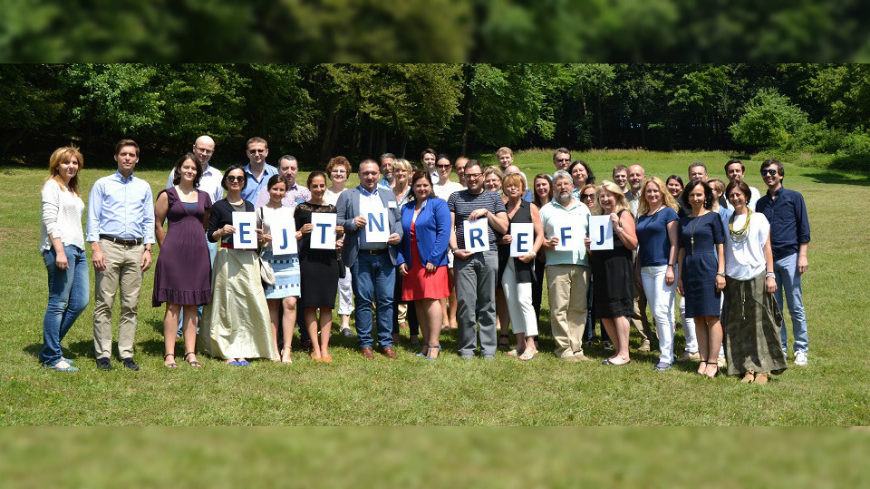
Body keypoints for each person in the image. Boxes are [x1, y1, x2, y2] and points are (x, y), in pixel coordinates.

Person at [86, 139, 155, 371]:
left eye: (132, 155)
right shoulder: (102, 184)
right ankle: (103, 354)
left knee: (131, 305)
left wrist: (148, 249)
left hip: (136, 249)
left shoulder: (144, 187)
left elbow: (148, 220)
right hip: (109, 247)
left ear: (137, 158)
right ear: (116, 157)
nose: (128, 158)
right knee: (104, 302)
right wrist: (96, 248)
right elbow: (93, 218)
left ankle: (126, 353)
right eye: (123, 154)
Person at [200, 166, 276, 366]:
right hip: (227, 257)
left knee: (248, 302)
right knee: (226, 302)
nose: (235, 181)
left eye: (240, 179)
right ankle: (226, 349)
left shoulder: (251, 207)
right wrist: (221, 230)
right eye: (232, 178)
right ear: (226, 181)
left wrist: (260, 237)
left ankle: (245, 347)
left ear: (244, 182)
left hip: (248, 259)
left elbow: (252, 236)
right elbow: (210, 235)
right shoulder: (218, 206)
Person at [337, 160, 403, 359]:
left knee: (386, 300)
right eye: (366, 173)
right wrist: (351, 223)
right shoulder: (348, 196)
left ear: (379, 174)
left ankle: (385, 342)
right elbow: (337, 221)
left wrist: (397, 235)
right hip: (361, 257)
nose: (370, 177)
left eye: (374, 173)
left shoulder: (388, 194)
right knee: (364, 300)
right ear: (359, 174)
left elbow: (398, 221)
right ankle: (365, 342)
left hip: (385, 256)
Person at [722, 181, 787, 385]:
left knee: (760, 321)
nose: (735, 198)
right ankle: (746, 367)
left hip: (756, 273)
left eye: (738, 195)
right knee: (738, 322)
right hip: (733, 276)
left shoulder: (759, 218)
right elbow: (723, 249)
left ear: (746, 196)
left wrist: (770, 274)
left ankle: (763, 369)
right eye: (731, 195)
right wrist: (722, 273)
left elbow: (767, 248)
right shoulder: (726, 221)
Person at [152, 153, 212, 368]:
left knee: (193, 304)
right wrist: (165, 248)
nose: (190, 171)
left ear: (198, 172)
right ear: (179, 169)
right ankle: (169, 353)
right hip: (173, 254)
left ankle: (190, 352)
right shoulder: (167, 195)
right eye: (186, 167)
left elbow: (203, 225)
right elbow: (158, 224)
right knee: (173, 303)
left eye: (193, 168)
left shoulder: (204, 197)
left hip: (198, 255)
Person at [448, 159, 509, 360]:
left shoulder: (494, 198)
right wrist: (455, 249)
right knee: (465, 302)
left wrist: (487, 213)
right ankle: (467, 347)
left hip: (488, 254)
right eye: (468, 175)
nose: (472, 179)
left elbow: (503, 227)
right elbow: (450, 227)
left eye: (476, 175)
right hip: (464, 256)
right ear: (463, 176)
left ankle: (488, 348)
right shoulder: (455, 197)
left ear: (483, 176)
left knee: (488, 302)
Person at [165, 136, 222, 339]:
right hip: (179, 237)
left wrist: (205, 233)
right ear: (194, 148)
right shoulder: (177, 171)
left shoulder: (217, 175)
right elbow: (169, 203)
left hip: (205, 236)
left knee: (199, 284)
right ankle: (178, 328)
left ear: (212, 152)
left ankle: (196, 327)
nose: (204, 153)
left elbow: (212, 211)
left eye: (208, 150)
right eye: (201, 149)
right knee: (179, 283)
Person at [756, 159, 811, 366]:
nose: (768, 175)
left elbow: (803, 228)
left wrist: (802, 255)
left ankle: (801, 349)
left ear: (780, 175)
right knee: (775, 307)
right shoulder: (760, 204)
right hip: (768, 262)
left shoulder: (794, 198)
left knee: (795, 305)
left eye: (772, 172)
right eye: (764, 172)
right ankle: (781, 346)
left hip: (790, 257)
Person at [39, 146, 88, 372]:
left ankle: (51, 349)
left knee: (80, 301)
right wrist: (58, 250)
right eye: (66, 162)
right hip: (62, 248)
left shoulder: (71, 190)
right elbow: (50, 220)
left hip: (78, 249)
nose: (71, 166)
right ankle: (52, 355)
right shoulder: (52, 186)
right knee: (58, 303)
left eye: (75, 163)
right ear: (56, 165)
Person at [538, 171, 591, 362]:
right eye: (558, 185)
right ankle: (562, 348)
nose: (562, 187)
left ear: (572, 186)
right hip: (556, 263)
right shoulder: (545, 210)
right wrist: (546, 242)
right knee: (559, 308)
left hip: (581, 263)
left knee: (579, 307)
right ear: (553, 188)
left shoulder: (583, 208)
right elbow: (538, 237)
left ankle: (576, 347)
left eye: (566, 184)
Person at [398, 171, 451, 360]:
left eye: (425, 185)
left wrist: (434, 259)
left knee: (431, 299)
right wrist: (400, 260)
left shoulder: (439, 205)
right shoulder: (406, 208)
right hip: (411, 262)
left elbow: (444, 233)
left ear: (431, 186)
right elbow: (400, 236)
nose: (422, 188)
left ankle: (435, 344)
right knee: (418, 301)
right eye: (418, 185)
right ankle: (426, 342)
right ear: (413, 187)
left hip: (431, 263)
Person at [677, 179, 726, 378]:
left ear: (706, 196)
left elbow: (721, 246)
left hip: (708, 268)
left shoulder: (713, 217)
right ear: (687, 198)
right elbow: (681, 250)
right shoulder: (684, 220)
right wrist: (680, 277)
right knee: (697, 317)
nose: (695, 198)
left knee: (712, 317)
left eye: (699, 194)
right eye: (692, 195)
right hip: (690, 269)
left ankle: (714, 362)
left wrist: (720, 272)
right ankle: (703, 359)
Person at [296, 171, 344, 362]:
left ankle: (325, 348)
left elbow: (335, 237)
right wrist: (300, 230)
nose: (318, 189)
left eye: (322, 185)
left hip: (328, 260)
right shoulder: (301, 209)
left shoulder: (332, 209)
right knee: (309, 304)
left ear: (325, 186)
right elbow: (293, 235)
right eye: (315, 186)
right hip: (308, 260)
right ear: (309, 187)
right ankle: (314, 347)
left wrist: (339, 232)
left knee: (326, 305)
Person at [589, 181, 638, 366]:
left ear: (617, 196)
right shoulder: (598, 217)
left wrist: (618, 228)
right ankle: (619, 351)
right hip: (601, 267)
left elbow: (633, 243)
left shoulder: (623, 214)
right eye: (602, 196)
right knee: (605, 310)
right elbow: (598, 248)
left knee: (618, 310)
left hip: (619, 266)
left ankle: (625, 353)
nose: (606, 199)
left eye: (609, 195)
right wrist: (589, 246)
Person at [635, 177, 680, 371]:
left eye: (655, 191)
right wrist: (637, 269)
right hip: (646, 269)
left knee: (662, 312)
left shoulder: (669, 213)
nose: (652, 194)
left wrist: (671, 266)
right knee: (659, 312)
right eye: (648, 191)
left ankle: (666, 356)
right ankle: (668, 351)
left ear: (662, 193)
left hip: (664, 267)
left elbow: (675, 243)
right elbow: (640, 247)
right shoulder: (643, 216)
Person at [499, 173, 544, 360]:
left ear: (523, 188)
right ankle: (519, 342)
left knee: (525, 300)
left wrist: (532, 253)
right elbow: (496, 234)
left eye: (516, 185)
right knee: (511, 301)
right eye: (509, 186)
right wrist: (502, 239)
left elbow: (540, 234)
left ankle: (531, 343)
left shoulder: (530, 207)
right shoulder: (501, 208)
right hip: (505, 261)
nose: (512, 189)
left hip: (524, 261)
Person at [257, 174, 301, 364]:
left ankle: (287, 349)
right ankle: (273, 347)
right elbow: (255, 239)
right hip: (270, 260)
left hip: (290, 261)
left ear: (285, 191)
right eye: (275, 189)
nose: (278, 192)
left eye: (281, 189)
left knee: (290, 303)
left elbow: (295, 234)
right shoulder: (260, 211)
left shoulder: (291, 211)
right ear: (269, 189)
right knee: (272, 304)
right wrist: (261, 238)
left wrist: (299, 234)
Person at [666, 174, 699, 361]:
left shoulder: (688, 209)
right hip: (673, 259)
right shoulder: (664, 207)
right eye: (670, 185)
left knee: (686, 304)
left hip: (690, 259)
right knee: (677, 306)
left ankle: (694, 347)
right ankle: (691, 346)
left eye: (677, 185)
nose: (673, 188)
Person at [324, 156, 355, 339]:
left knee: (346, 284)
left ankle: (345, 323)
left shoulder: (352, 195)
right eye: (335, 170)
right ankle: (324, 323)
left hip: (346, 246)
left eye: (342, 171)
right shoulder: (323, 194)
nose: (338, 174)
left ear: (347, 174)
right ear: (330, 173)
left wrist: (344, 239)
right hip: (324, 246)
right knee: (326, 285)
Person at [390, 158, 420, 345]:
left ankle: (414, 333)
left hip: (410, 249)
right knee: (392, 293)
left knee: (412, 293)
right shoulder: (386, 193)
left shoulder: (414, 193)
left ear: (410, 173)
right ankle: (394, 332)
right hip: (391, 249)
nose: (401, 174)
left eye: (404, 171)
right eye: (397, 171)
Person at [432, 154, 463, 330]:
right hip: (435, 237)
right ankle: (443, 318)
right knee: (441, 278)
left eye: (446, 165)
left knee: (453, 277)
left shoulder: (458, 187)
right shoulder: (432, 188)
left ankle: (453, 317)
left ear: (451, 167)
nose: (443, 169)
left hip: (454, 235)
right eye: (440, 165)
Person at [578, 184, 610, 350]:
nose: (589, 199)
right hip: (584, 263)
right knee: (588, 301)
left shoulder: (602, 215)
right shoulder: (579, 216)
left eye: (592, 195)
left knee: (603, 299)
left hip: (602, 263)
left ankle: (606, 337)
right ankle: (588, 336)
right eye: (585, 196)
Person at [483, 166, 511, 348]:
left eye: (495, 180)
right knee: (487, 294)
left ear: (501, 182)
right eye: (488, 180)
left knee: (502, 292)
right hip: (486, 251)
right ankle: (488, 331)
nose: (492, 183)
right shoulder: (479, 200)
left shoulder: (510, 201)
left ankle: (504, 333)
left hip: (506, 254)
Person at [531, 174, 553, 325]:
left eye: (544, 184)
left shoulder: (558, 206)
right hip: (537, 255)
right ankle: (535, 332)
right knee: (535, 294)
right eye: (538, 185)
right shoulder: (532, 207)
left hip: (556, 254)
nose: (541, 188)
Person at [240, 137, 278, 203]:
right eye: (253, 151)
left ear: (267, 152)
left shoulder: (276, 173)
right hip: (245, 213)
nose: (257, 154)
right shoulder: (239, 174)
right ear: (247, 153)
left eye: (260, 151)